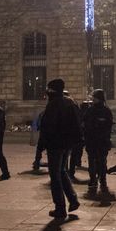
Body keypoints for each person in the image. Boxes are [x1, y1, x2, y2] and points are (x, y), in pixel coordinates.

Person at [39, 78, 80, 219]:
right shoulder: (70, 102)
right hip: (67, 144)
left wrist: (44, 143)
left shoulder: (53, 104)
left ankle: (60, 208)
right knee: (62, 171)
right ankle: (73, 199)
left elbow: (47, 126)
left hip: (55, 145)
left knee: (55, 175)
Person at [83, 89, 114, 197]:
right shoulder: (103, 110)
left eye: (94, 97)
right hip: (98, 141)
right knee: (98, 162)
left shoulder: (95, 110)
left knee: (96, 161)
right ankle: (98, 181)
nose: (92, 99)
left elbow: (86, 125)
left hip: (96, 141)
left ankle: (96, 181)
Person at [68, 101, 91, 179]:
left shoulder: (78, 113)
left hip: (77, 136)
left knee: (74, 154)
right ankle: (77, 163)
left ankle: (71, 170)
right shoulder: (88, 113)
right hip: (82, 135)